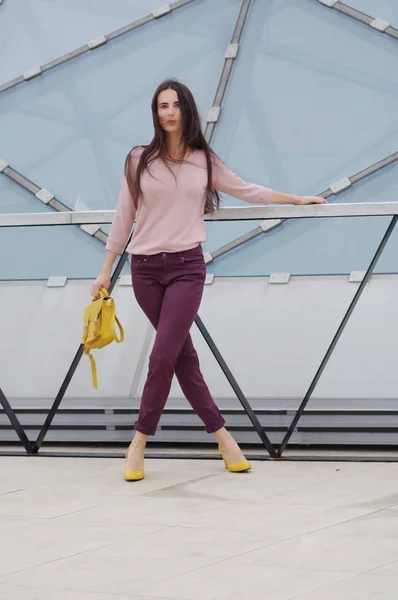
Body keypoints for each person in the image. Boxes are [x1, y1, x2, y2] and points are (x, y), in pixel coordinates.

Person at [90, 78, 327, 482]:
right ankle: (223, 438)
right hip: (145, 270)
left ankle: (138, 442)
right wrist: (105, 271)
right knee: (183, 359)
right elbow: (123, 215)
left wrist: (296, 199)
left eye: (174, 105)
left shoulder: (203, 159)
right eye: (161, 106)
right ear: (155, 113)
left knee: (162, 356)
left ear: (186, 110)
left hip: (186, 268)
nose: (168, 113)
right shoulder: (138, 159)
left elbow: (246, 190)